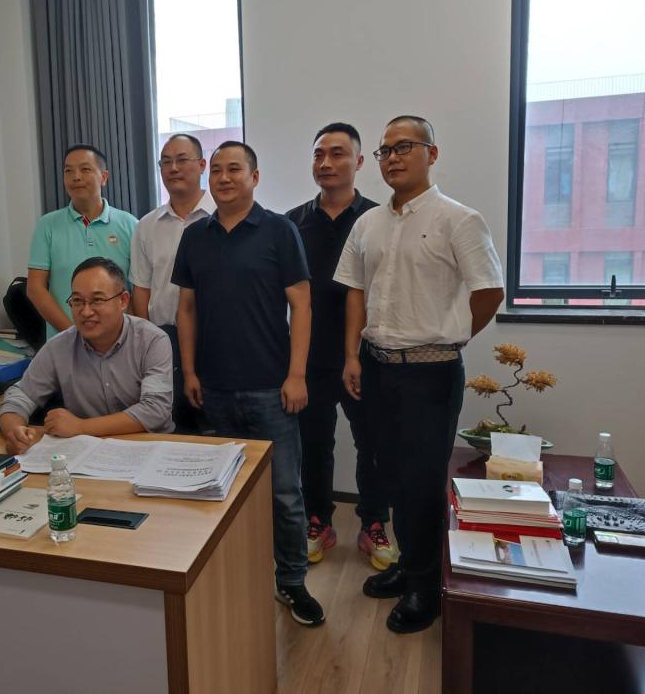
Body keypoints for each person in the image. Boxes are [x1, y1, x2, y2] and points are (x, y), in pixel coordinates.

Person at [335, 116, 504, 634]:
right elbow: (355, 291)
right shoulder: (367, 223)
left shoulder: (459, 219)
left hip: (431, 374)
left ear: (432, 153)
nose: (392, 157)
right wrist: (352, 356)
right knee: (388, 472)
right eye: (385, 150)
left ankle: (426, 589)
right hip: (377, 367)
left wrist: (452, 336)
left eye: (404, 147)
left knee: (423, 482)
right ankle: (408, 568)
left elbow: (489, 291)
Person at [172, 140, 324, 627]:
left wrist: (296, 375)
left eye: (234, 169)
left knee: (284, 495)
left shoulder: (279, 230)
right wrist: (189, 371)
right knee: (220, 492)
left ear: (254, 177)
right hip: (213, 389)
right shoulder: (195, 236)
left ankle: (292, 582)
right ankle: (233, 577)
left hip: (271, 388)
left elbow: (302, 305)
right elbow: (186, 309)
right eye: (216, 169)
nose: (223, 177)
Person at [286, 122, 396, 569]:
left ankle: (374, 523)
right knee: (313, 444)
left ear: (359, 161)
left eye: (337, 153)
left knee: (374, 443)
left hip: (365, 356)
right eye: (318, 154)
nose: (326, 163)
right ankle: (318, 520)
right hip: (309, 356)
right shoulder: (292, 222)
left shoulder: (378, 219)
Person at [0, 257, 173, 454]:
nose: (86, 311)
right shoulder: (59, 346)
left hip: (148, 449)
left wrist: (81, 427)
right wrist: (14, 431)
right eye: (77, 301)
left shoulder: (152, 340)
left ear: (123, 300)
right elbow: (20, 396)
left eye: (97, 300)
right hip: (88, 453)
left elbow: (155, 410)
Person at [130, 133, 215, 433]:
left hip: (215, 338)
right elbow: (141, 288)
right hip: (165, 341)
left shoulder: (222, 216)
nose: (173, 168)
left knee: (219, 430)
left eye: (181, 160)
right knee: (174, 429)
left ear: (202, 165)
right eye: (166, 162)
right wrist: (145, 343)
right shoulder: (146, 226)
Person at [27, 144, 138, 340]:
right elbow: (35, 289)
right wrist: (74, 335)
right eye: (68, 171)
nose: (76, 177)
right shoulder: (47, 225)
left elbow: (138, 289)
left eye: (85, 169)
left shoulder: (130, 225)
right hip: (64, 342)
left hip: (120, 342)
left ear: (104, 177)